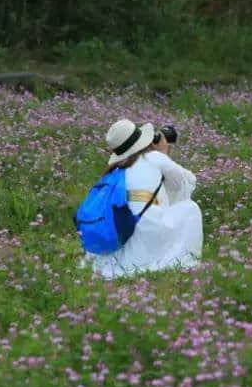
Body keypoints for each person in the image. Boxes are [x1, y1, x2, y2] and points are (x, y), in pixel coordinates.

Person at [85, 119, 203, 278]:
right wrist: (163, 154)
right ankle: (177, 258)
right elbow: (186, 182)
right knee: (190, 208)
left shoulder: (115, 168)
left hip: (119, 231)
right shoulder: (154, 157)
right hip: (148, 229)